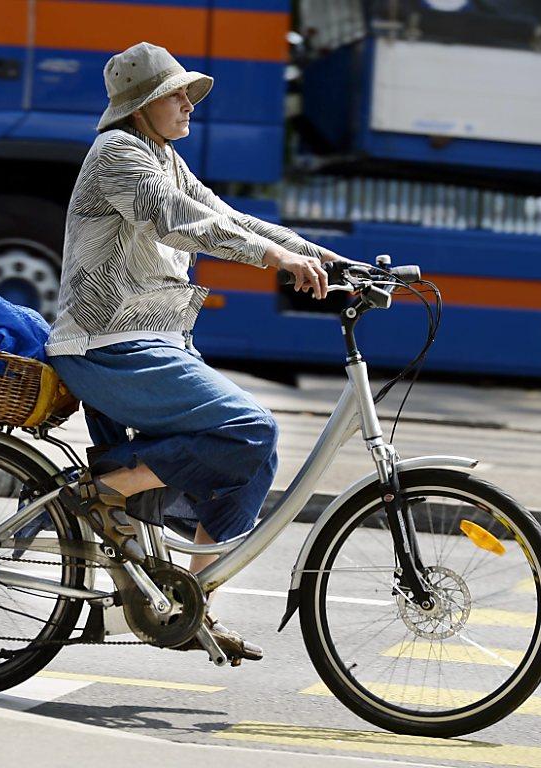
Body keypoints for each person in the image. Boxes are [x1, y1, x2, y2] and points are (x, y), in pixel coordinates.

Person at [46, 41, 350, 661]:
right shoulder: (117, 156)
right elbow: (177, 219)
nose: (188, 103)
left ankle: (189, 607)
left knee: (250, 461)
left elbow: (228, 215)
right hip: (106, 344)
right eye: (174, 94)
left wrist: (324, 258)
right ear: (140, 106)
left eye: (186, 92)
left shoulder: (161, 156)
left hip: (152, 344)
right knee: (250, 428)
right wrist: (276, 260)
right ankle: (113, 489)